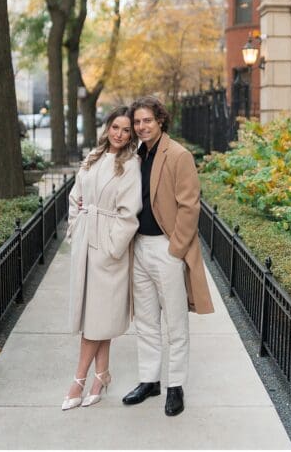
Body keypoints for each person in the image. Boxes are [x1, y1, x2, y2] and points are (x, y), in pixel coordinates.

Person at [122, 96, 214, 417]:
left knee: (175, 321)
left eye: (147, 120)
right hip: (140, 247)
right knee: (146, 320)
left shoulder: (178, 155)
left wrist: (176, 249)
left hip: (167, 247)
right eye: (137, 122)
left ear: (160, 120)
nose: (142, 126)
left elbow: (190, 205)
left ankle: (175, 386)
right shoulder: (136, 156)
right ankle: (150, 380)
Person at [62, 106, 142, 410]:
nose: (120, 134)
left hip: (108, 248)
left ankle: (79, 380)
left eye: (126, 130)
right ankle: (102, 374)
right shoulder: (93, 158)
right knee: (96, 315)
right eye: (116, 128)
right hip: (86, 240)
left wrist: (112, 248)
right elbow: (75, 196)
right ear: (107, 128)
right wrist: (74, 228)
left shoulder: (130, 164)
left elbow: (129, 215)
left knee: (97, 318)